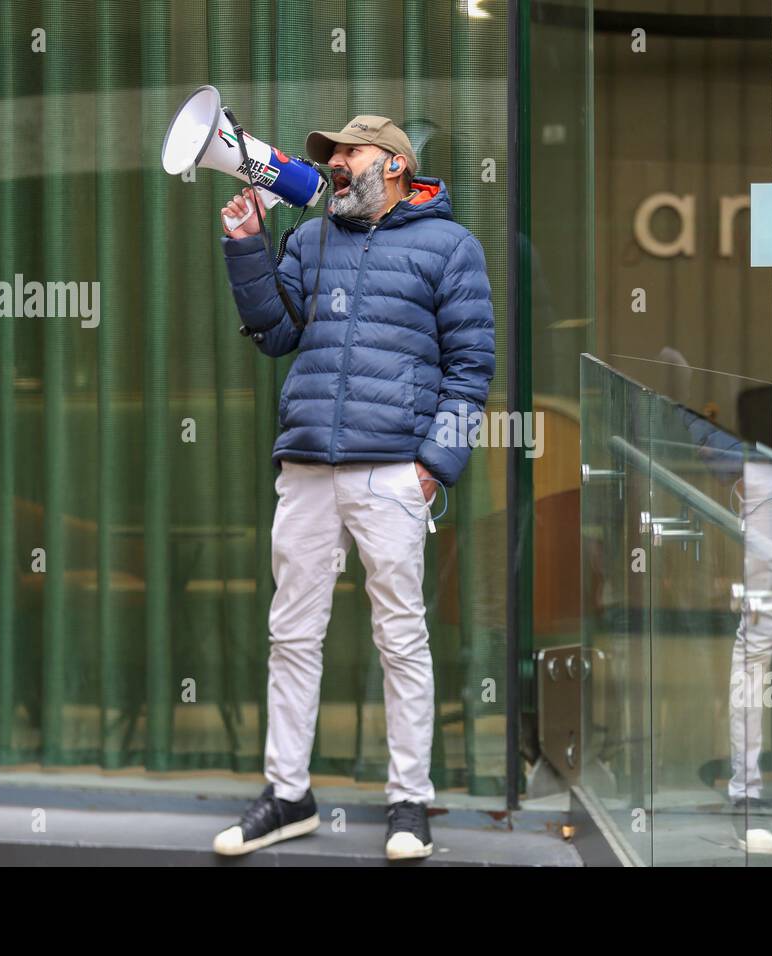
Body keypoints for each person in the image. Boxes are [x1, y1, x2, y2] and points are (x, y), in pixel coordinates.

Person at [210, 115, 495, 861]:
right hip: (306, 465)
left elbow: (472, 374)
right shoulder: (309, 241)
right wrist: (245, 242)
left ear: (395, 165)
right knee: (291, 634)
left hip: (393, 468)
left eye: (349, 152)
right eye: (329, 155)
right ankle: (288, 795)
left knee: (400, 636)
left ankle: (409, 801)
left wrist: (435, 463)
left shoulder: (451, 246)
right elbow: (275, 332)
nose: (334, 164)